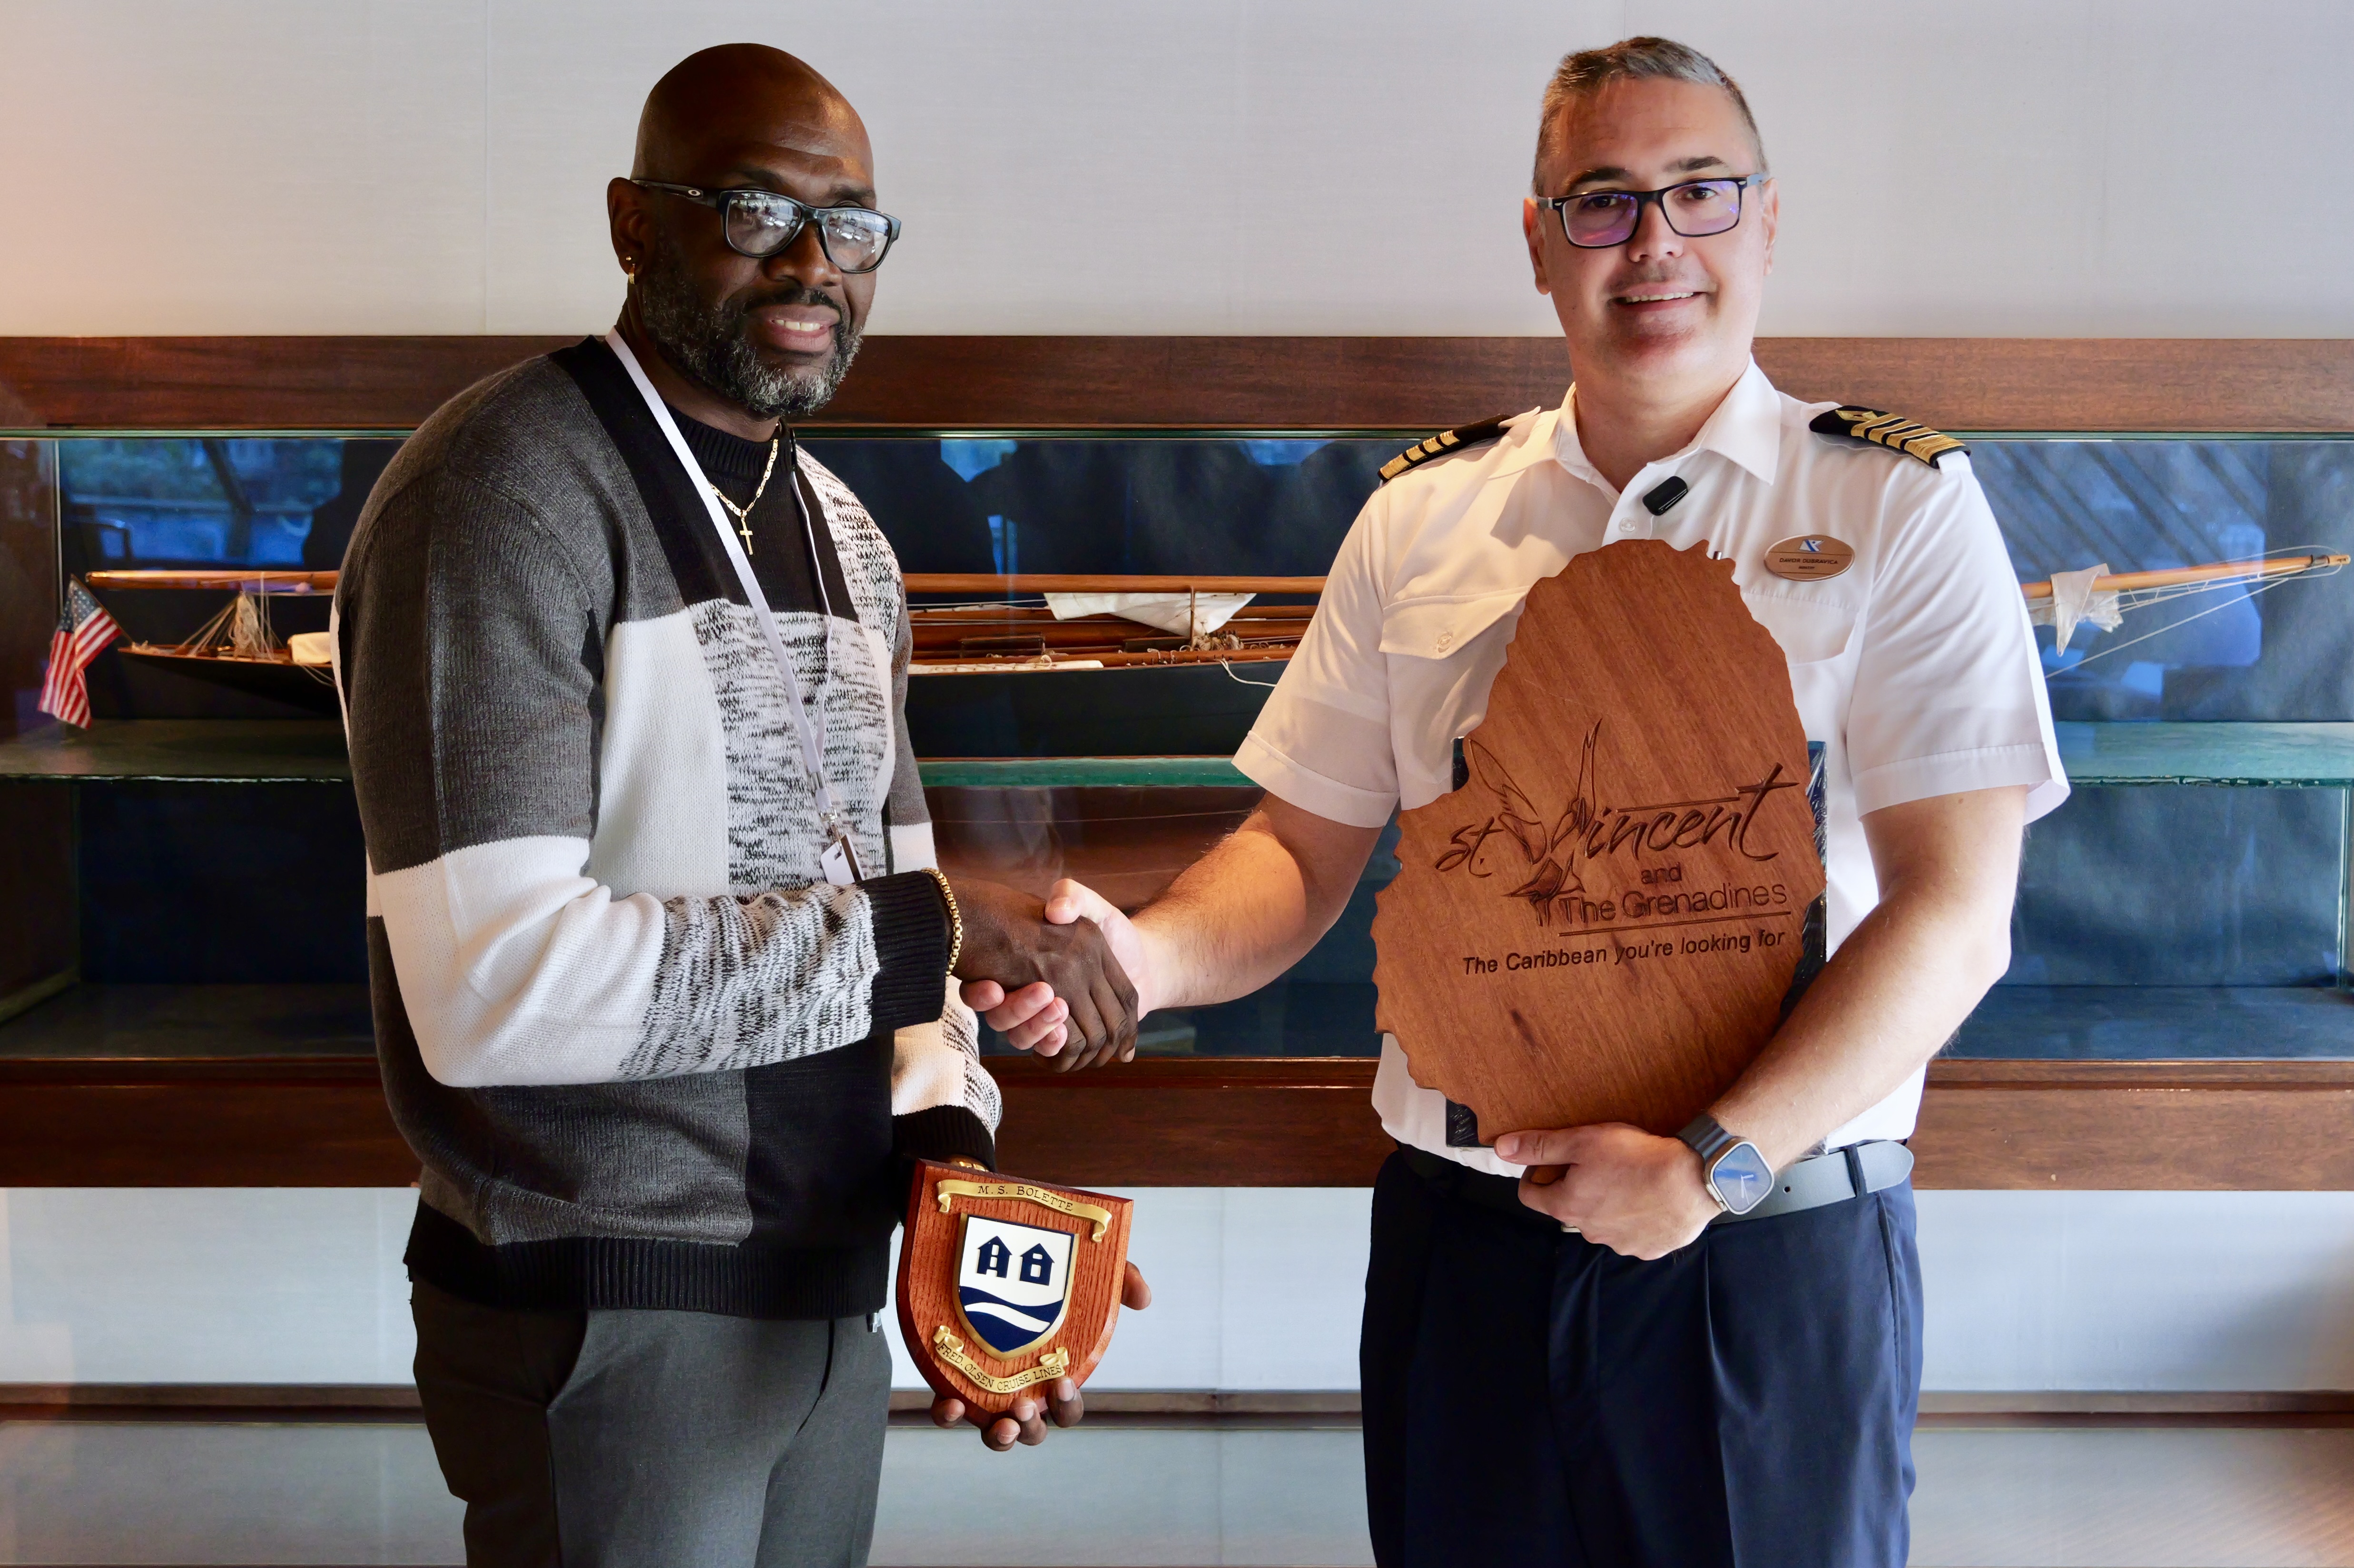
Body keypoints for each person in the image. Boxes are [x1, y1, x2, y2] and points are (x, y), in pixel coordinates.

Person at [970, 35, 2064, 1568]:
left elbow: (1955, 914)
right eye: (1602, 201)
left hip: (1761, 1244)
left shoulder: (1894, 507)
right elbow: (1297, 846)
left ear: (1765, 220)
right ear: (1539, 243)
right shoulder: (1423, 515)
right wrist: (1139, 958)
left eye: (1698, 191)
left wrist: (1713, 1164)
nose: (1653, 242)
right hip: (1468, 1242)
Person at [335, 43, 1143, 1568]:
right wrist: (928, 934)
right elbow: (492, 992)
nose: (813, 264)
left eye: (852, 226)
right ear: (633, 222)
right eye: (757, 210)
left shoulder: (842, 529)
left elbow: (897, 920)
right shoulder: (499, 492)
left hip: (826, 1288)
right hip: (608, 1298)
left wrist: (953, 1171)